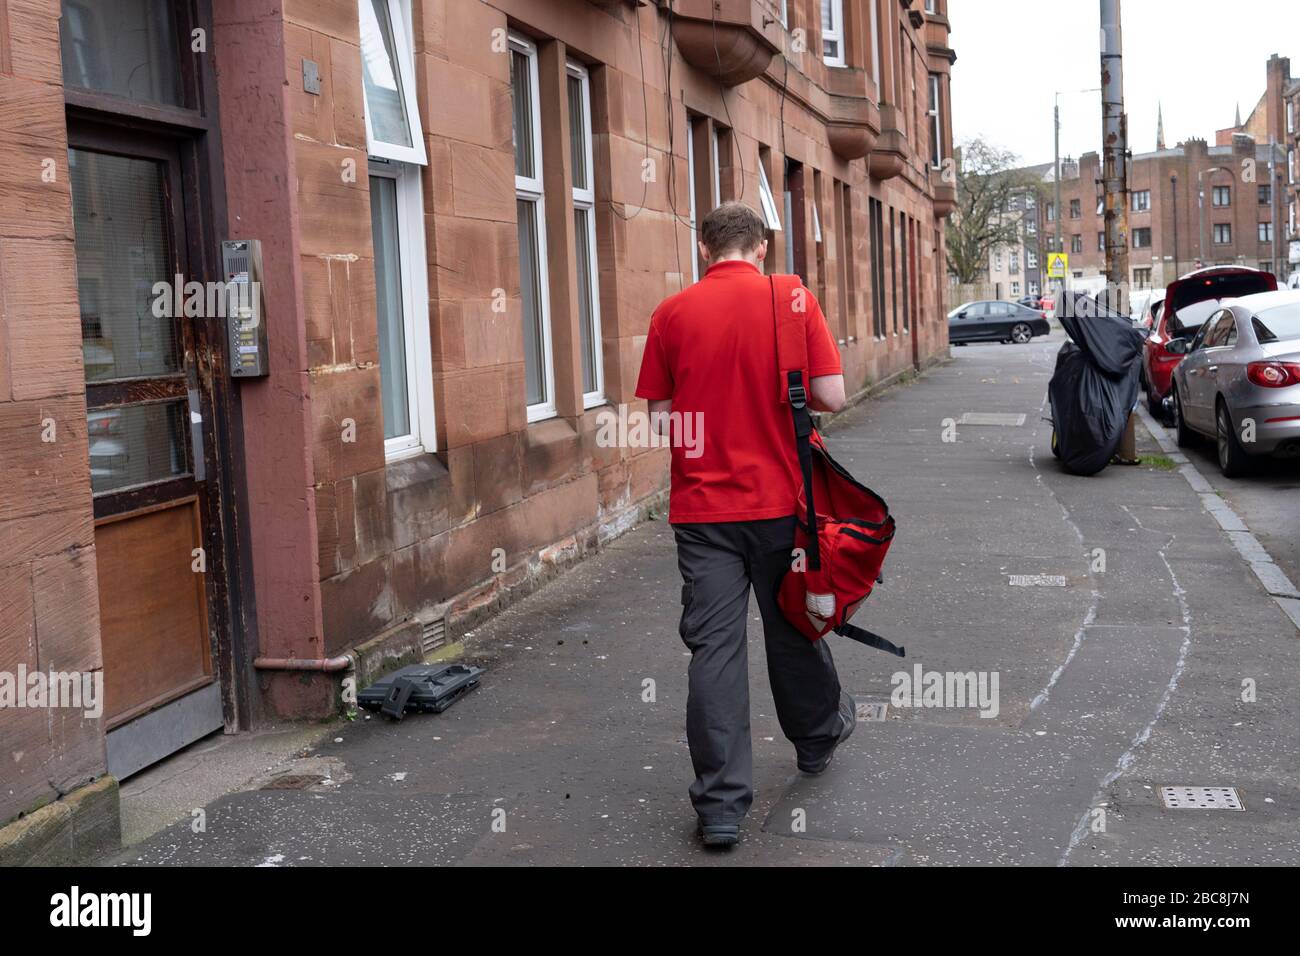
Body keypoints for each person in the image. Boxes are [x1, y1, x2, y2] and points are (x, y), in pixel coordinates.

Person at [635, 201, 856, 848]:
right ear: (761, 248)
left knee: (714, 650)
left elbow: (658, 421)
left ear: (704, 249)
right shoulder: (790, 299)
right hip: (784, 505)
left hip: (704, 515)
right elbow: (832, 395)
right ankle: (816, 739)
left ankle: (722, 807)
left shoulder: (670, 315)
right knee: (792, 625)